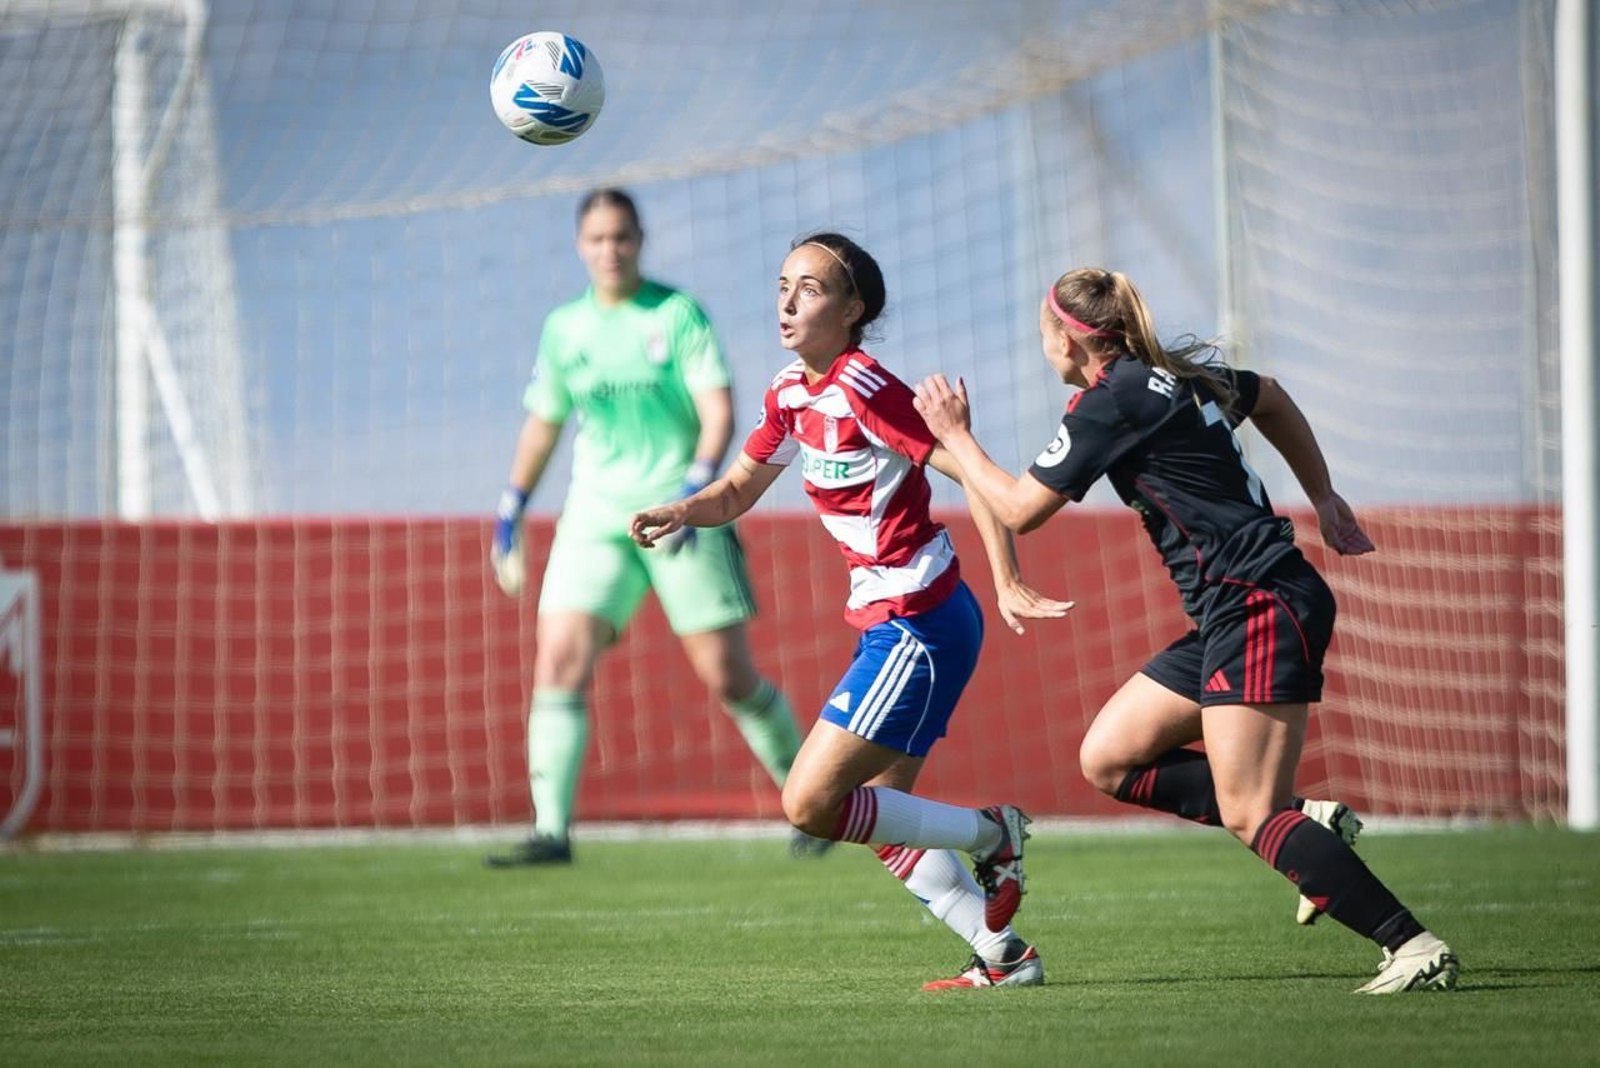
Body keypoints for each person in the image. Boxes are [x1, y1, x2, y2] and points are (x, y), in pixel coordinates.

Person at [911, 267, 1460, 995]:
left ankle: (1412, 946)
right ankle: (1308, 819)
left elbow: (1017, 509)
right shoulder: (1171, 379)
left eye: (1042, 334)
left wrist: (954, 435)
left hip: (1257, 602)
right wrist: (1322, 497)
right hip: (1233, 608)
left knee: (1247, 810)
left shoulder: (1115, 400)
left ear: (1068, 341)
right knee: (1110, 758)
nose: (1038, 346)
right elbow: (1268, 393)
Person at [631, 232, 1073, 990]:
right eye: (782, 286)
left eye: (808, 288)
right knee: (880, 814)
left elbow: (971, 468)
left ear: (853, 307)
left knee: (810, 803)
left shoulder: (866, 387)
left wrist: (1006, 576)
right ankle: (1005, 957)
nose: (787, 302)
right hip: (895, 623)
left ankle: (991, 833)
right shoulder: (790, 393)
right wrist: (683, 508)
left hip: (920, 621)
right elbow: (738, 489)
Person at [486, 188, 816, 866]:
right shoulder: (564, 329)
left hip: (678, 513)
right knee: (558, 661)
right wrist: (512, 503)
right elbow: (545, 420)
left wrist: (698, 484)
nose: (610, 250)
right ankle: (552, 833)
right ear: (581, 246)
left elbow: (718, 408)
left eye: (622, 238)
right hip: (594, 516)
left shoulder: (677, 313)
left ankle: (812, 805)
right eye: (598, 239)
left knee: (729, 677)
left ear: (640, 240)